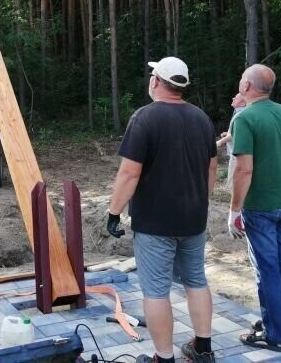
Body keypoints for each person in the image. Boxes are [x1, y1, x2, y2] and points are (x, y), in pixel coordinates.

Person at [106, 57, 218, 363]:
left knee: (156, 291)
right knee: (196, 280)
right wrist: (200, 201)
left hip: (155, 223)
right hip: (194, 219)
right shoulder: (202, 119)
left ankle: (163, 357)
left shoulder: (144, 118)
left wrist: (114, 212)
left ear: (156, 81)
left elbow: (129, 173)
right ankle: (203, 350)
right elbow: (211, 169)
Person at [228, 64, 281, 353]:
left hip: (259, 208)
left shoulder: (245, 118)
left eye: (241, 80)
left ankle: (275, 336)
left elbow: (244, 169)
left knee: (268, 270)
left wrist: (235, 211)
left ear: (247, 86)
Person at [216, 93, 247, 188]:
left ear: (242, 103)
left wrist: (221, 141)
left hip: (237, 154)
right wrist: (228, 133)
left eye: (236, 97)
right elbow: (237, 131)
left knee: (232, 184)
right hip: (237, 153)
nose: (233, 97)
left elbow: (236, 135)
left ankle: (234, 201)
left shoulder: (241, 114)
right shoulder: (239, 113)